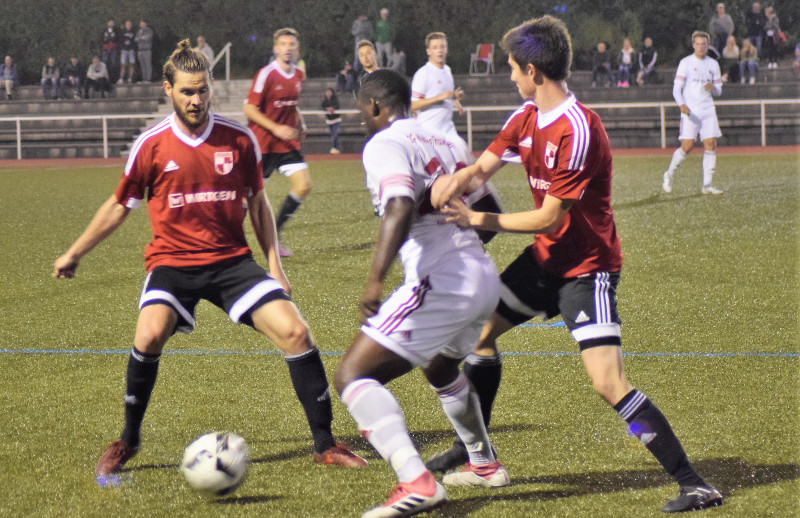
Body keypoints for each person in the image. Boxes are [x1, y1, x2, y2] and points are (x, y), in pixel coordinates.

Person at [427, 16, 724, 514]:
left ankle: (693, 482)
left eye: (514, 70)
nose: (511, 77)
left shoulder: (578, 129)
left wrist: (475, 216)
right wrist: (447, 186)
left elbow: (546, 218)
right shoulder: (525, 117)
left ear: (534, 71)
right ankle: (478, 453)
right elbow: (481, 167)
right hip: (544, 261)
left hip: (587, 269)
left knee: (608, 382)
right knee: (479, 335)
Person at [53, 40, 367, 483]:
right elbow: (119, 205)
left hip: (231, 262)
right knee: (149, 333)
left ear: (210, 87)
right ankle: (128, 439)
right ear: (169, 89)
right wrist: (74, 252)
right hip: (173, 263)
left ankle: (325, 443)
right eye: (186, 92)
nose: (196, 100)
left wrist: (275, 265)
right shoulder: (152, 145)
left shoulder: (238, 140)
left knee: (295, 331)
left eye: (202, 90)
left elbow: (258, 204)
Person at [334, 69, 509, 518]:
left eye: (361, 109)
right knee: (440, 365)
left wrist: (375, 279)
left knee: (353, 376)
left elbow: (400, 203)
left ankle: (416, 480)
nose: (360, 117)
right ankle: (485, 464)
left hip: (443, 278)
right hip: (482, 277)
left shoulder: (383, 144)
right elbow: (488, 210)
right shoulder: (448, 142)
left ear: (375, 106)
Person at [411, 31, 502, 244]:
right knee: (453, 187)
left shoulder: (448, 71)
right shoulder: (423, 74)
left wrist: (455, 102)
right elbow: (413, 104)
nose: (440, 50)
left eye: (442, 46)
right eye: (435, 47)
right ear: (428, 51)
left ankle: (474, 228)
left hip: (449, 139)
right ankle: (465, 232)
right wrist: (439, 97)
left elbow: (446, 98)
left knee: (467, 182)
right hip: (431, 140)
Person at [243, 28, 311, 258]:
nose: (288, 48)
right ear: (276, 48)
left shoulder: (299, 74)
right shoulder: (266, 74)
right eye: (283, 44)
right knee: (248, 199)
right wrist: (276, 128)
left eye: (292, 44)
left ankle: (276, 235)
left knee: (303, 185)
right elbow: (249, 108)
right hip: (263, 144)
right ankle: (228, 240)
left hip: (287, 145)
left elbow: (292, 105)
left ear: (297, 49)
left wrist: (299, 124)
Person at [662, 31, 723, 195]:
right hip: (691, 111)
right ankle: (670, 173)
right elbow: (676, 89)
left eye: (704, 44)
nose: (701, 46)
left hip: (708, 109)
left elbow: (718, 91)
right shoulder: (686, 63)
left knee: (710, 143)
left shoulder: (713, 65)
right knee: (687, 146)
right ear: (693, 45)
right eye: (698, 44)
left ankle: (707, 185)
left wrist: (714, 88)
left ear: (708, 45)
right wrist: (681, 104)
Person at [321, 87, 341, 154]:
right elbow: (321, 107)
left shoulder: (335, 100)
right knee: (333, 134)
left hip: (336, 120)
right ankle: (335, 148)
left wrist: (333, 108)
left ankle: (334, 148)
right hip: (329, 120)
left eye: (329, 92)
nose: (328, 94)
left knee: (334, 134)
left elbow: (337, 106)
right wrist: (327, 109)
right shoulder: (325, 101)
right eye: (327, 92)